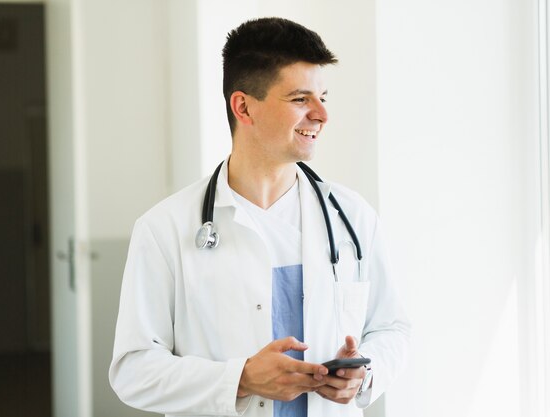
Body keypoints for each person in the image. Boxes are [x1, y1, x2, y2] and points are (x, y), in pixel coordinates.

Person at [109, 17, 409, 417]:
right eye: (301, 99)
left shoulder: (352, 217)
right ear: (244, 106)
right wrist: (242, 379)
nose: (321, 114)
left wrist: (364, 374)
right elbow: (133, 370)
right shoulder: (164, 229)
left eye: (323, 96)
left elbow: (392, 329)